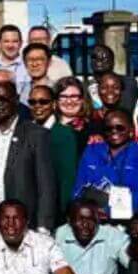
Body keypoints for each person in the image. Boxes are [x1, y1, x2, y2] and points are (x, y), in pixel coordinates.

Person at [0, 82, 58, 237]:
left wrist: (44, 226)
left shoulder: (35, 134)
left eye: (3, 99)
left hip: (19, 223)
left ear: (16, 99)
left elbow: (46, 185)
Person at [72, 109, 138, 221]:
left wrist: (110, 212)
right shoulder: (92, 150)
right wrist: (84, 211)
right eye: (109, 128)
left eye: (120, 128)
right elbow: (79, 187)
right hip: (93, 217)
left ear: (131, 130)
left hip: (133, 218)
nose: (114, 131)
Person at [55, 199, 130, 274]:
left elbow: (133, 264)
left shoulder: (112, 236)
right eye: (80, 220)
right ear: (70, 221)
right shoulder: (61, 235)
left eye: (91, 220)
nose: (85, 224)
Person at [28, 85, 80, 214]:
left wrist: (64, 210)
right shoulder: (24, 131)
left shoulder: (64, 134)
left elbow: (67, 177)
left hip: (54, 208)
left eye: (43, 102)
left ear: (54, 104)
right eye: (32, 102)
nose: (37, 106)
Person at [88, 44, 138, 113]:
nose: (99, 60)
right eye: (95, 57)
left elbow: (125, 110)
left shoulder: (127, 82)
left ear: (112, 62)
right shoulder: (88, 86)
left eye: (104, 57)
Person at [0, 25, 27, 96]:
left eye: (15, 41)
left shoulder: (28, 67)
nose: (10, 45)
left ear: (21, 43)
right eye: (6, 41)